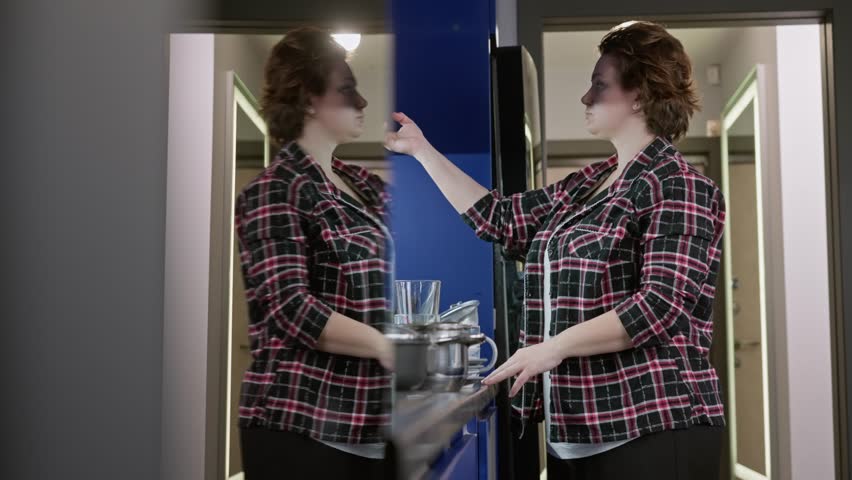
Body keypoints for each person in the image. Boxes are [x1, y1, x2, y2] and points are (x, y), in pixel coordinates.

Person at [385, 20, 726, 480]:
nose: (586, 97)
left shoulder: (679, 185)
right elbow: (501, 220)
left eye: (599, 85)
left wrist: (552, 349)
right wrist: (422, 150)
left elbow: (658, 306)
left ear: (639, 95)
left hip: (654, 426)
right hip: (577, 434)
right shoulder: (591, 183)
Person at [235, 27, 393, 479]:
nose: (362, 102)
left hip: (369, 422)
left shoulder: (362, 185)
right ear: (308, 99)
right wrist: (387, 347)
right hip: (302, 422)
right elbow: (291, 307)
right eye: (347, 90)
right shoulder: (273, 190)